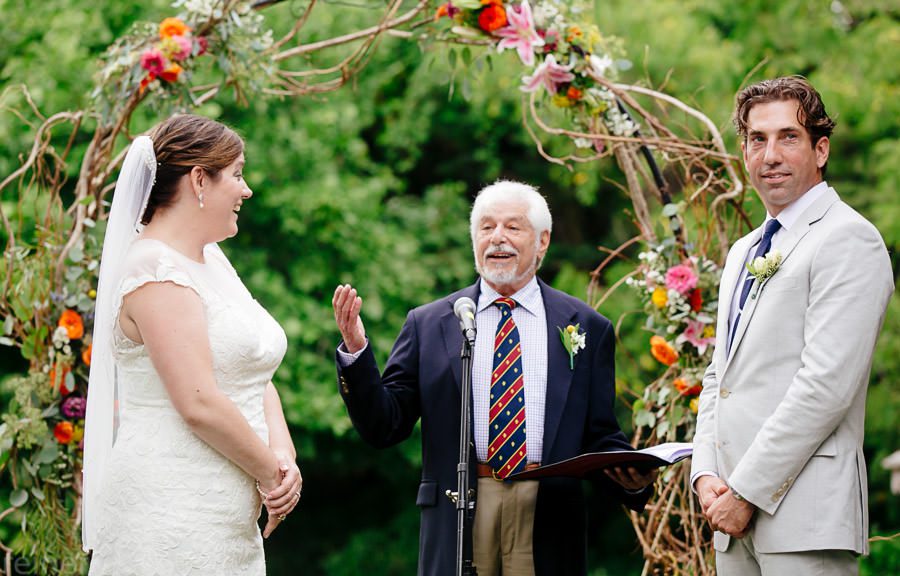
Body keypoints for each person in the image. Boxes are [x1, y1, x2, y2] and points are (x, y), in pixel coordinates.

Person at [332, 180, 656, 576]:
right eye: (486, 228)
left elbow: (599, 433)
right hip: (460, 510)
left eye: (513, 227)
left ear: (542, 241)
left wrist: (633, 480)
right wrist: (357, 353)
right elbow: (385, 424)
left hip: (547, 514)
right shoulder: (431, 322)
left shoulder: (587, 327)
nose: (497, 238)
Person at [690, 76, 894, 575]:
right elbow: (720, 377)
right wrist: (705, 475)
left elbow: (825, 387)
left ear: (820, 149)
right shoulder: (743, 251)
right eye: (757, 140)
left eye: (788, 137)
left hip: (805, 516)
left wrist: (746, 490)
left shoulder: (849, 239)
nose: (770, 155)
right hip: (730, 519)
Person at [82, 114, 302, 574]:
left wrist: (284, 458)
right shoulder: (154, 269)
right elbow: (197, 401)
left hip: (226, 518)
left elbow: (253, 369)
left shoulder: (211, 261)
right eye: (238, 174)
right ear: (199, 179)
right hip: (170, 509)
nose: (247, 190)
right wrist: (268, 474)